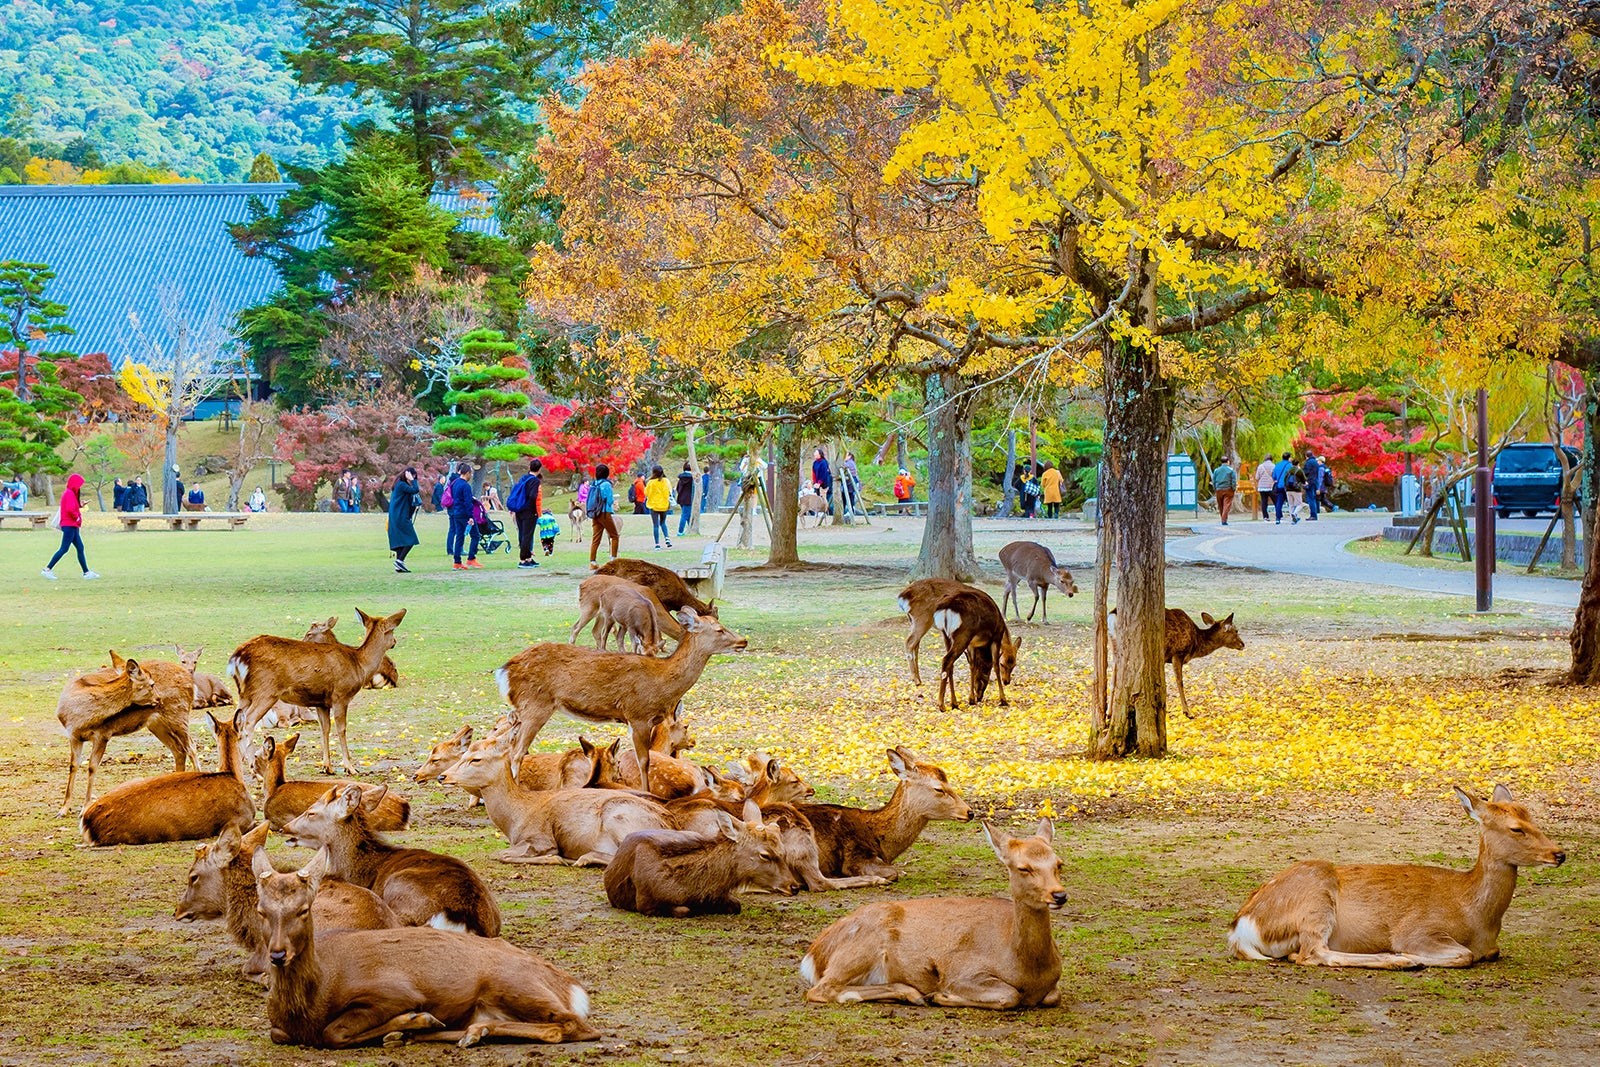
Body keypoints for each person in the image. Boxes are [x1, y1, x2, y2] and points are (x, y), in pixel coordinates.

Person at [41, 473, 98, 581]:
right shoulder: (69, 494)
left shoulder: (70, 493)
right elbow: (70, 509)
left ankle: (86, 572)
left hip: (72, 525)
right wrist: (76, 517)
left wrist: (81, 505)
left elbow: (72, 506)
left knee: (80, 548)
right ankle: (47, 569)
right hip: (69, 525)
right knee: (64, 548)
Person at [509, 458, 543, 569]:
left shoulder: (523, 478)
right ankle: (523, 560)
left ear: (529, 467)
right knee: (527, 535)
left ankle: (528, 558)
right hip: (529, 511)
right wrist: (532, 509)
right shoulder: (535, 481)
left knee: (522, 534)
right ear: (539, 469)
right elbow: (533, 496)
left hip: (519, 510)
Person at [446, 462, 481, 570]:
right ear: (467, 473)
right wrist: (471, 517)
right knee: (476, 536)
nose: (471, 476)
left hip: (456, 513)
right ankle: (471, 558)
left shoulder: (454, 483)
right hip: (465, 514)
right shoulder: (465, 485)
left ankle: (457, 562)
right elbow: (467, 502)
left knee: (459, 537)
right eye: (470, 473)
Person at [388, 467, 421, 573]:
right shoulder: (402, 485)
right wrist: (412, 479)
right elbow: (415, 490)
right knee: (411, 539)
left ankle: (399, 565)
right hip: (400, 516)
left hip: (396, 516)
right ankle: (400, 560)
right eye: (412, 476)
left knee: (400, 541)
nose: (414, 479)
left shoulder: (399, 485)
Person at [588, 463, 619, 569]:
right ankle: (613, 561)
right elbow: (609, 500)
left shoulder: (594, 484)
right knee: (614, 535)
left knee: (596, 538)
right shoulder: (606, 484)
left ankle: (592, 562)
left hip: (594, 513)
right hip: (604, 513)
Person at [645, 464, 673, 550]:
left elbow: (646, 493)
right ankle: (667, 538)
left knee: (655, 525)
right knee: (663, 522)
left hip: (654, 506)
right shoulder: (666, 481)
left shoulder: (651, 482)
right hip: (664, 505)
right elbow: (670, 491)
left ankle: (657, 544)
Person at [1213, 458, 1238, 525]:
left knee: (1221, 505)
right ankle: (1224, 520)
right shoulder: (1231, 470)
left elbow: (1214, 481)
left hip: (1218, 489)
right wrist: (1233, 488)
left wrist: (1215, 488)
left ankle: (1223, 519)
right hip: (1228, 489)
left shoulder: (1216, 470)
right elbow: (1233, 481)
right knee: (1226, 505)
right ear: (1228, 462)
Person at [1283, 457, 1307, 525]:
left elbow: (1285, 480)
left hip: (1288, 490)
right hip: (1296, 490)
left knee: (1291, 505)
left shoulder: (1288, 470)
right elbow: (1304, 480)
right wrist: (1304, 484)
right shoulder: (1299, 471)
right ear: (1298, 464)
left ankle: (1293, 519)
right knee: (1300, 504)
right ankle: (1295, 513)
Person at [1270, 452, 1292, 524]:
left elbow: (1274, 477)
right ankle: (1293, 516)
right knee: (1291, 502)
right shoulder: (1290, 465)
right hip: (1288, 487)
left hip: (1279, 486)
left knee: (1279, 502)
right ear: (1289, 458)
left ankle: (1277, 518)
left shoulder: (1277, 465)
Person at [676, 461, 695, 536]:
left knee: (687, 515)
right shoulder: (693, 478)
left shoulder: (681, 478)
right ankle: (680, 531)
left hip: (681, 498)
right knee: (685, 515)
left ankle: (690, 529)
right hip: (689, 499)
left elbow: (678, 488)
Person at [1301, 452, 1322, 521]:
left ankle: (1313, 515)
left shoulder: (1308, 463)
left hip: (1309, 482)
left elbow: (1305, 472)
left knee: (1310, 499)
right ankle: (1314, 514)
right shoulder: (1316, 462)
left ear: (1306, 456)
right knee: (1313, 498)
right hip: (1315, 482)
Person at [1253, 456, 1275, 521]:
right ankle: (1279, 515)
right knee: (1276, 501)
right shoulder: (1274, 466)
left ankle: (1265, 517)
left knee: (1264, 502)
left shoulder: (1260, 466)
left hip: (1262, 487)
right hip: (1271, 486)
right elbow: (1275, 476)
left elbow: (1257, 477)